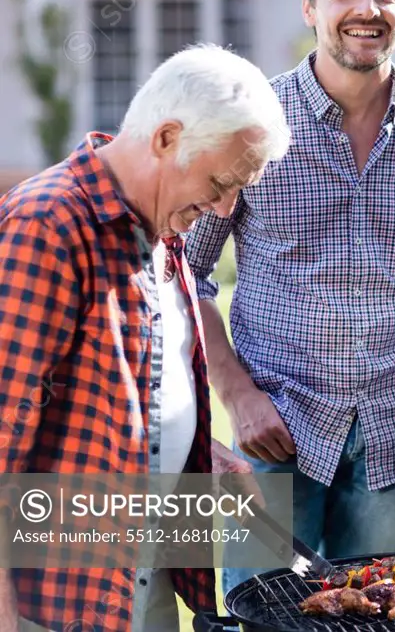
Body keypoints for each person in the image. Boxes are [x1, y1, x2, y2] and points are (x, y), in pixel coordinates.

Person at [184, 0, 395, 594]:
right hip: (274, 429)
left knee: (385, 611)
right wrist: (238, 398)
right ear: (311, 7)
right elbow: (187, 273)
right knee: (262, 611)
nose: (366, 9)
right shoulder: (252, 126)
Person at [0, 44, 285, 632]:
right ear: (165, 138)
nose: (225, 207)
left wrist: (204, 457)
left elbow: (133, 389)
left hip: (137, 572)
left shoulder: (161, 223)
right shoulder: (46, 225)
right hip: (57, 601)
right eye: (220, 182)